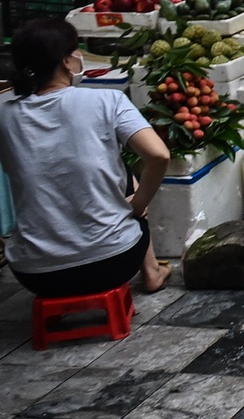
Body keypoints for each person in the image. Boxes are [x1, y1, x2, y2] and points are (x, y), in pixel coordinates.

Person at [0, 18, 172, 297]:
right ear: (67, 61)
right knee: (126, 173)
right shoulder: (106, 101)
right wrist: (137, 206)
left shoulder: (4, 115)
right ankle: (151, 272)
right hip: (113, 261)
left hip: (35, 275)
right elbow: (158, 155)